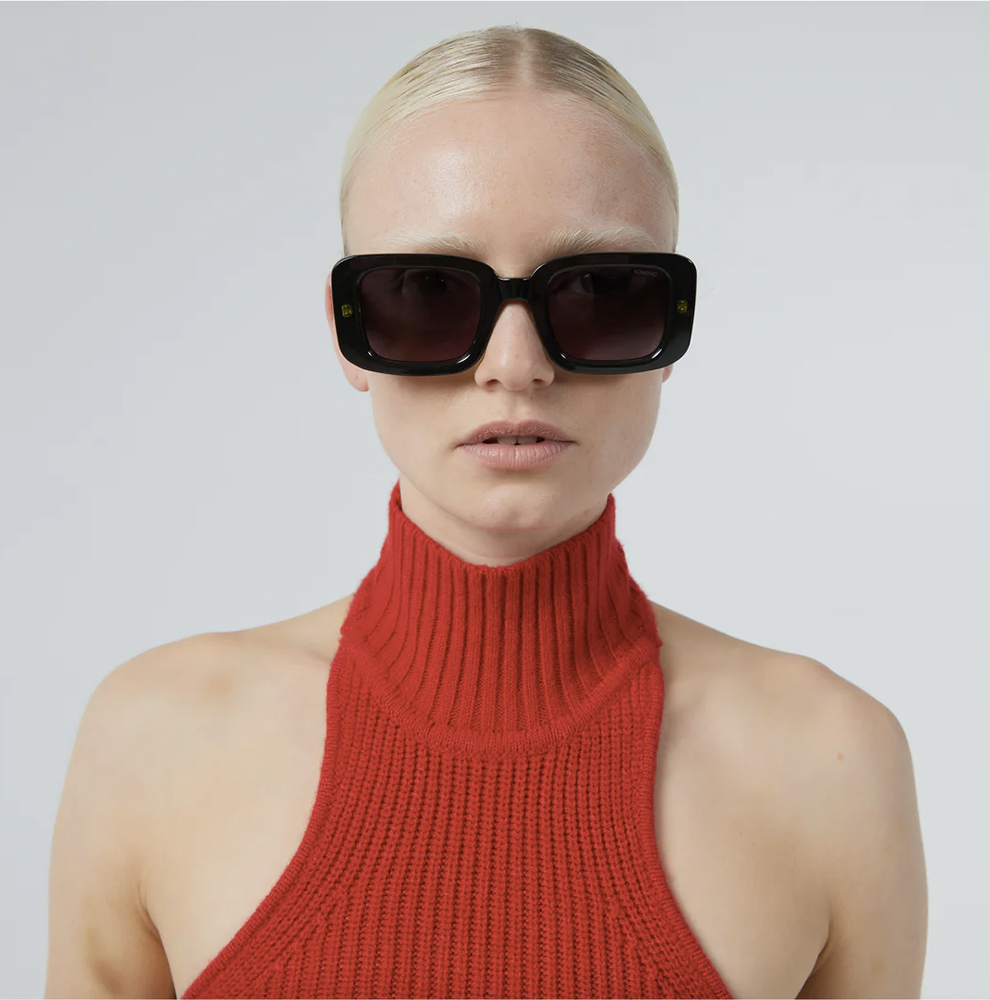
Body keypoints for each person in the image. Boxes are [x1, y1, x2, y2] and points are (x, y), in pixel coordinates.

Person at [45, 25, 927, 1000]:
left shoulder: (832, 764)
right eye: (428, 290)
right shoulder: (154, 738)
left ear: (671, 329)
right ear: (345, 330)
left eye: (600, 290)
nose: (515, 364)